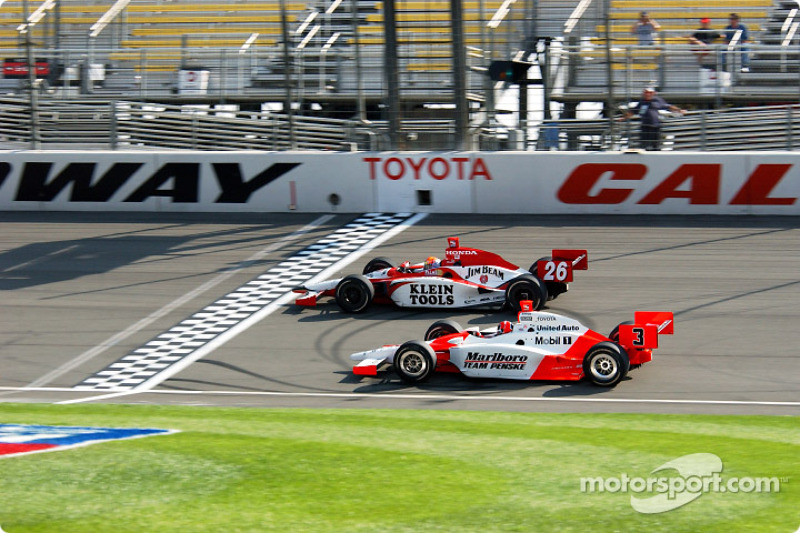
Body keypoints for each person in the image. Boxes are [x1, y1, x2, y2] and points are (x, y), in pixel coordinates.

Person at [622, 87, 686, 151]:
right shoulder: (642, 102)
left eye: (650, 93)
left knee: (655, 144)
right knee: (644, 144)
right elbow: (633, 111)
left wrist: (679, 110)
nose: (648, 94)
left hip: (655, 126)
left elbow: (668, 106)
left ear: (653, 93)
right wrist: (623, 118)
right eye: (646, 93)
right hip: (645, 126)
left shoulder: (657, 100)